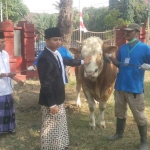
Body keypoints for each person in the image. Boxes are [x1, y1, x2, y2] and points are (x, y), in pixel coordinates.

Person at [37, 27, 91, 150]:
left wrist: (83, 62)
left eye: (60, 40)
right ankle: (49, 147)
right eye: (55, 40)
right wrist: (51, 104)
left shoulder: (56, 54)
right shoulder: (44, 58)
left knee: (59, 123)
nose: (58, 43)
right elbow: (45, 83)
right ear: (47, 41)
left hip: (59, 95)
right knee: (49, 125)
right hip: (50, 100)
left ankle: (60, 145)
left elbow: (67, 61)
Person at [107, 23, 150, 150]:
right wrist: (111, 58)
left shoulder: (145, 48)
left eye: (129, 32)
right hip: (120, 86)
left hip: (134, 88)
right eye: (125, 31)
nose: (126, 33)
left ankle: (143, 141)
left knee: (139, 116)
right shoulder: (122, 48)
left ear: (136, 32)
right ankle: (119, 133)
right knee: (119, 112)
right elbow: (120, 64)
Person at [0, 32, 23, 134]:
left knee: (9, 109)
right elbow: (5, 73)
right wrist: (7, 75)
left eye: (4, 41)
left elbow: (8, 70)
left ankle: (9, 128)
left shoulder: (5, 54)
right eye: (1, 42)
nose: (3, 44)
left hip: (8, 87)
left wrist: (17, 80)